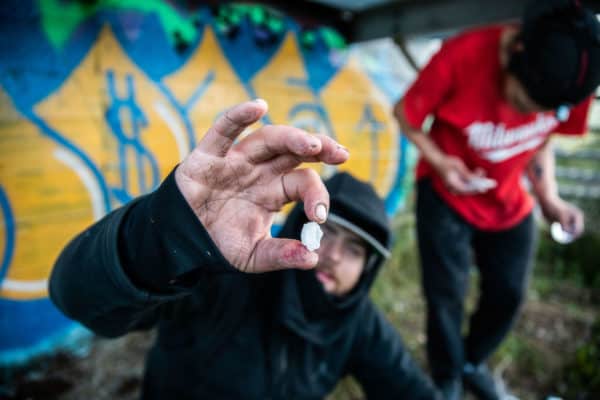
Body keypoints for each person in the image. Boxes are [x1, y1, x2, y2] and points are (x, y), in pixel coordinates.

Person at [49, 99, 439, 399]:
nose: (334, 254)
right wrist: (168, 235)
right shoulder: (224, 276)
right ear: (300, 227)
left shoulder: (357, 324)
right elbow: (76, 297)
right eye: (328, 231)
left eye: (355, 250)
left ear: (368, 269)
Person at [393, 1, 600, 399]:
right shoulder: (463, 53)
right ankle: (447, 377)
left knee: (508, 293)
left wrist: (550, 199)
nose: (525, 115)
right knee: (445, 297)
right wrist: (441, 161)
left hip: (508, 199)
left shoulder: (572, 83)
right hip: (446, 194)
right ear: (514, 52)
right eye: (523, 103)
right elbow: (405, 113)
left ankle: (473, 362)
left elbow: (542, 140)